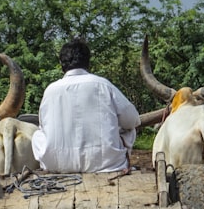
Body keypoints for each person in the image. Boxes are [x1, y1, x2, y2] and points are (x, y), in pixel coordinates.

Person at [31, 37, 140, 173]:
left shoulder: (50, 90)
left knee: (37, 134)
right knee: (129, 129)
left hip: (56, 164)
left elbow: (44, 125)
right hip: (107, 164)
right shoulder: (103, 85)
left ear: (61, 64)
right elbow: (132, 120)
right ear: (88, 62)